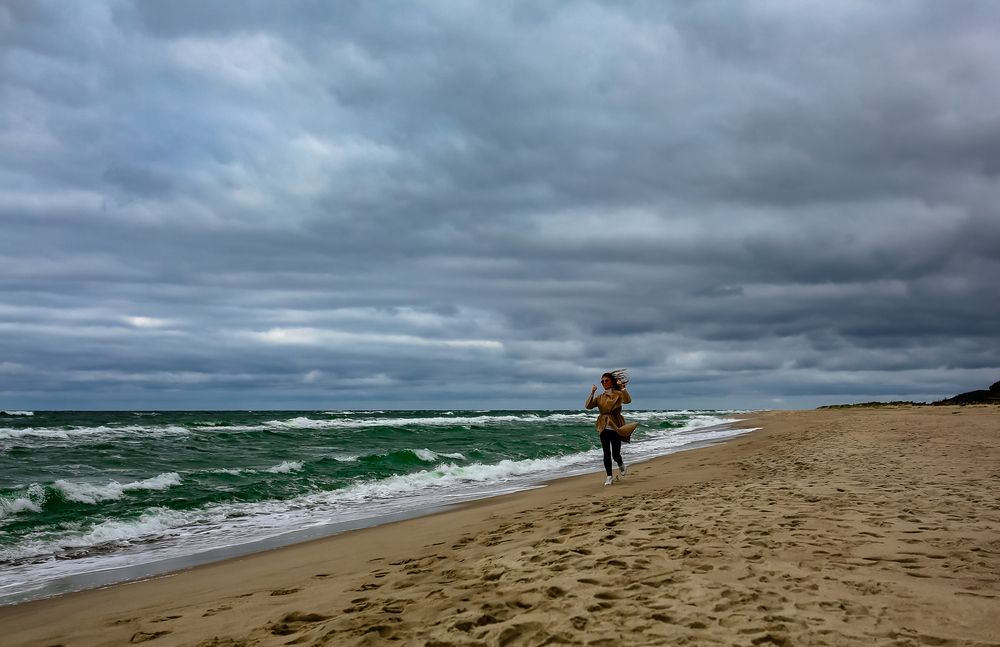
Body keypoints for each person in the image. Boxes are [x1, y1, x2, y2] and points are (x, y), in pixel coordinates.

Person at [585, 369, 638, 486]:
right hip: (603, 426)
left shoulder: (618, 394)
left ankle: (621, 464)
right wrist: (592, 392)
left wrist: (623, 388)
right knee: (606, 453)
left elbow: (628, 401)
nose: (604, 383)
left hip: (615, 426)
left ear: (612, 382)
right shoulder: (600, 397)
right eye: (602, 381)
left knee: (615, 453)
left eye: (606, 380)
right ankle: (609, 476)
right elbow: (588, 406)